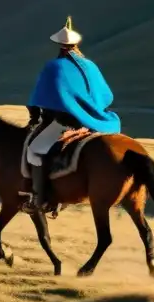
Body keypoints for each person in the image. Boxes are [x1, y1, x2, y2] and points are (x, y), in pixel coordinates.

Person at [25, 16, 121, 212]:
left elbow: (38, 97)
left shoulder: (53, 66)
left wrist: (35, 117)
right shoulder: (91, 66)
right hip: (98, 122)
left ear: (60, 44)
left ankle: (42, 199)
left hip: (67, 123)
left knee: (35, 150)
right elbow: (106, 95)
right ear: (76, 43)